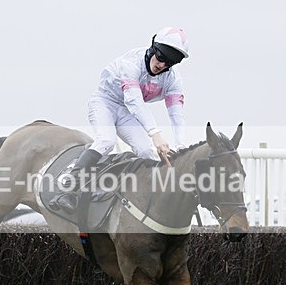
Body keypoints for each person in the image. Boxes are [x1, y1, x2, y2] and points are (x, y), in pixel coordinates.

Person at [53, 26, 190, 213]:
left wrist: (181, 145)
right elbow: (135, 101)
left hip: (125, 111)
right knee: (107, 140)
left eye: (169, 63)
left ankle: (144, 202)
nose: (162, 66)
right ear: (153, 48)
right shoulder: (131, 63)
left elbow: (176, 114)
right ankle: (68, 189)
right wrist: (156, 134)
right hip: (104, 102)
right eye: (161, 58)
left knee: (146, 150)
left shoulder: (173, 79)